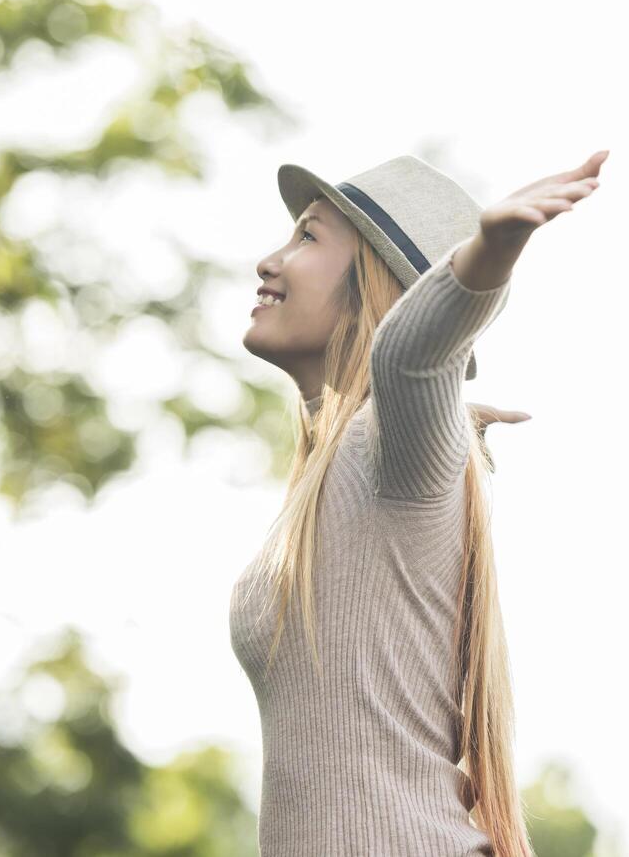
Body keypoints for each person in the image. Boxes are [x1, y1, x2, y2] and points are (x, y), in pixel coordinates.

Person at [230, 149, 608, 856]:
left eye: (307, 237)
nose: (269, 261)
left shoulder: (390, 443)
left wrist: (490, 252)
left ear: (378, 284)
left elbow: (407, 358)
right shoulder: (352, 465)